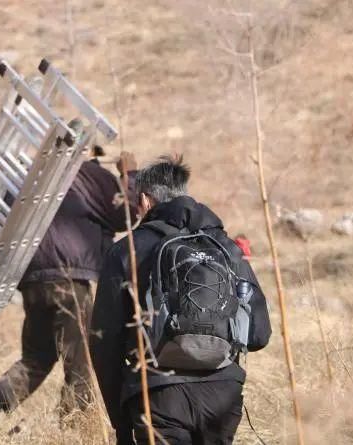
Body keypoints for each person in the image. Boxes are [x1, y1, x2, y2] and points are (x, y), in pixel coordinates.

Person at [90, 155, 272, 445]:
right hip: (223, 394)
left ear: (146, 201)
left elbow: (104, 344)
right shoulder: (225, 248)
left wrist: (121, 422)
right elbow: (260, 334)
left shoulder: (126, 250)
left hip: (159, 395)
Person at [0, 142, 138, 432]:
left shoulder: (29, 178)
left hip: (32, 282)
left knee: (37, 357)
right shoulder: (88, 175)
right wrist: (130, 175)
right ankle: (76, 428)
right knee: (82, 361)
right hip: (70, 282)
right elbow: (129, 212)